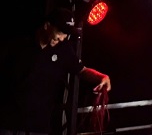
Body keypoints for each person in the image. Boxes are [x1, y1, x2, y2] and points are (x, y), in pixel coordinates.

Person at [0, 7, 112, 135]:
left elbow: (82, 70)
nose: (62, 38)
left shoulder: (64, 48)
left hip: (39, 126)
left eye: (66, 34)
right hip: (8, 123)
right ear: (47, 26)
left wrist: (102, 77)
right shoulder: (20, 44)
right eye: (60, 32)